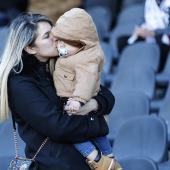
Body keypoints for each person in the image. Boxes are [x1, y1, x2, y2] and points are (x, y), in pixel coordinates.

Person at [0, 12, 115, 170]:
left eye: (54, 30)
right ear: (30, 48)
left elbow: (105, 95)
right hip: (55, 165)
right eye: (47, 36)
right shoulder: (20, 82)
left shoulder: (63, 64)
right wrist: (99, 123)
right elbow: (58, 127)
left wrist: (93, 105)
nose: (56, 37)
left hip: (85, 163)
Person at [51, 8, 122, 170]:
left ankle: (98, 160)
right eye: (58, 40)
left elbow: (86, 80)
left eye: (65, 42)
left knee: (73, 134)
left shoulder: (86, 59)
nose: (60, 45)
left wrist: (78, 100)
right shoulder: (73, 54)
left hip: (75, 102)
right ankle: (110, 158)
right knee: (96, 133)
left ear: (82, 42)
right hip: (78, 102)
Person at [117, 0, 170, 72]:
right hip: (147, 34)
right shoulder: (148, 1)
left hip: (163, 37)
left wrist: (154, 33)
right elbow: (142, 18)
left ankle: (153, 71)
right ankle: (130, 68)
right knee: (121, 41)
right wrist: (138, 29)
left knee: (160, 47)